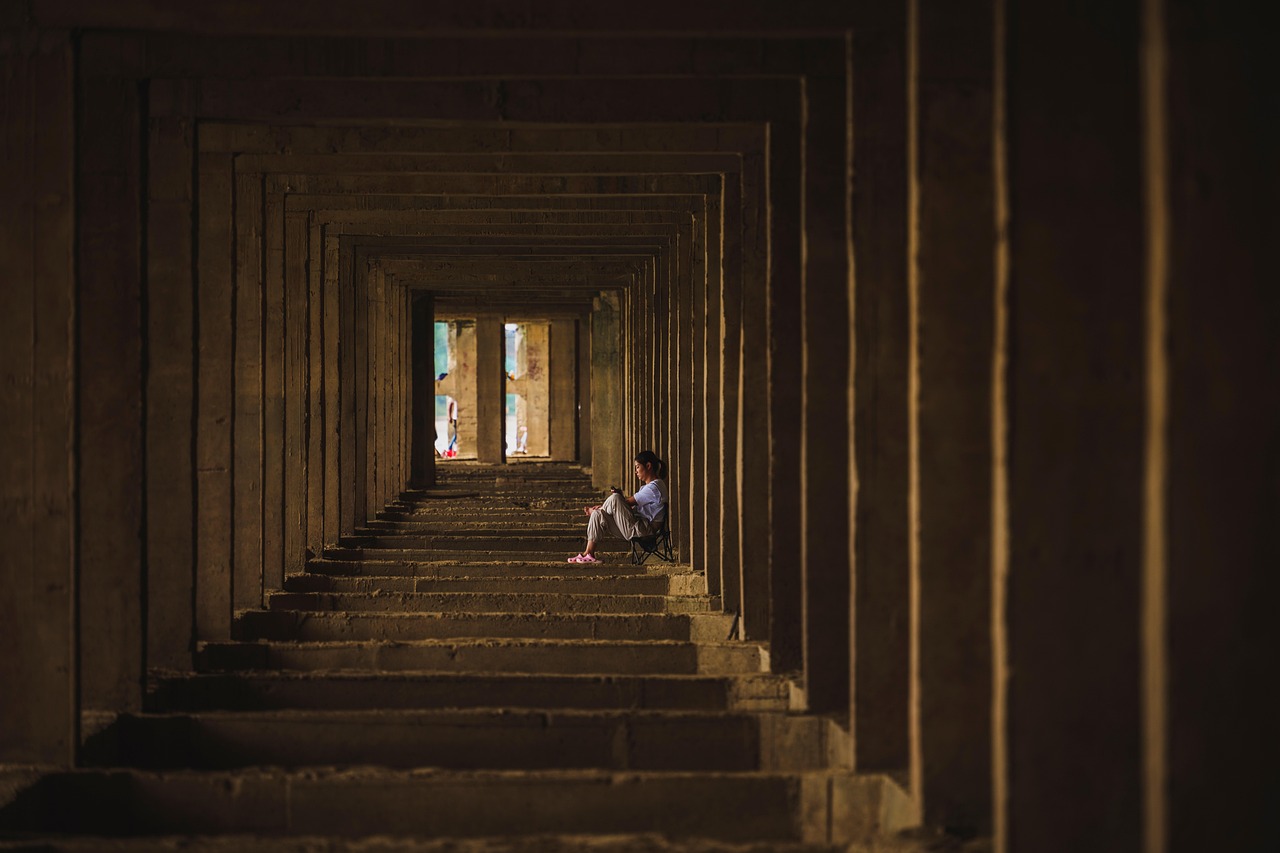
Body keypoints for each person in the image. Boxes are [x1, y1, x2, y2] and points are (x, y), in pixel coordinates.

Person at [568, 450, 668, 564]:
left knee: (615, 498)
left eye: (638, 467)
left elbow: (627, 503)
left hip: (645, 530)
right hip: (635, 526)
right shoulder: (648, 487)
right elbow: (626, 506)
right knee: (598, 514)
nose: (636, 471)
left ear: (648, 466)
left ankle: (596, 510)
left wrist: (618, 498)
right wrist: (607, 505)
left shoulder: (655, 487)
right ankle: (588, 554)